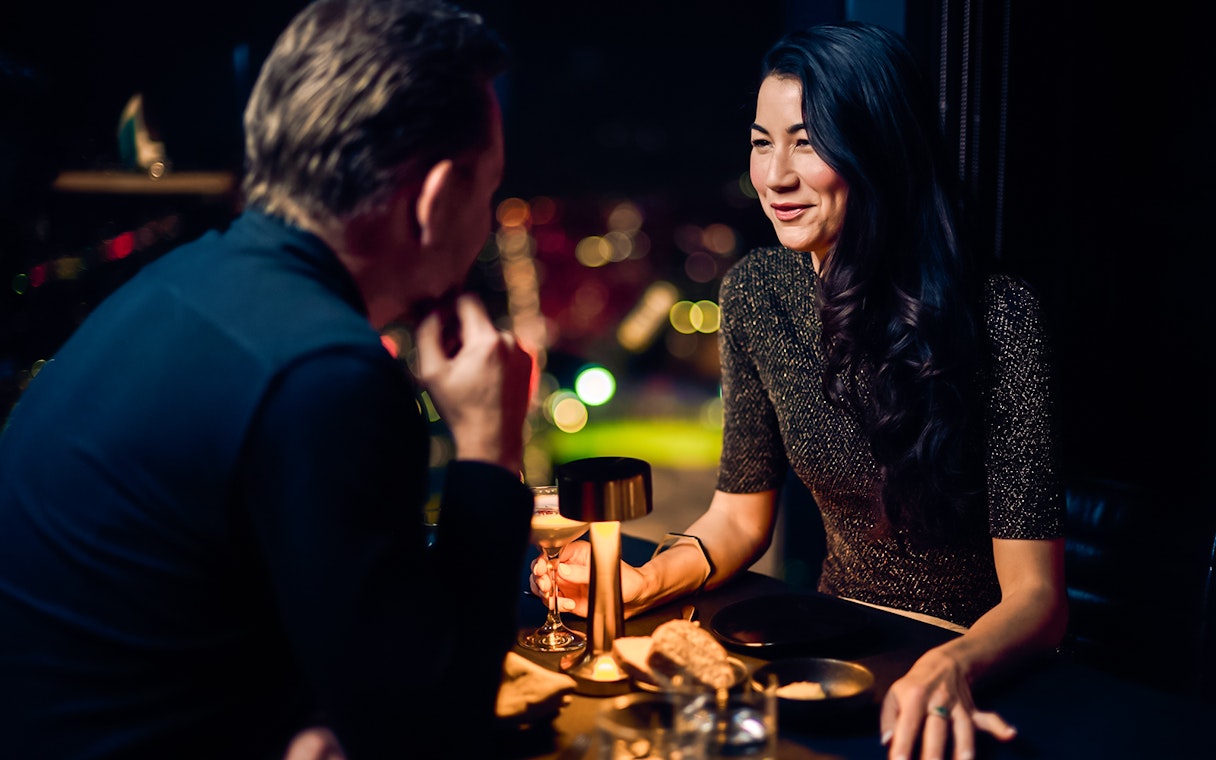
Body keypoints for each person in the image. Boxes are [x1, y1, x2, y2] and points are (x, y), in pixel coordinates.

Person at [0, 1, 535, 758]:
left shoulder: (181, 283)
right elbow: (430, 731)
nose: (484, 219)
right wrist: (489, 448)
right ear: (437, 196)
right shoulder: (323, 373)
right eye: (489, 191)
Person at [536, 21, 1068, 760]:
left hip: (973, 663)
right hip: (828, 652)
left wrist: (950, 666)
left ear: (878, 151)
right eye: (762, 141)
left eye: (809, 143)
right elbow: (736, 520)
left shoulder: (1000, 315)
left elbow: (1037, 600)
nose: (775, 176)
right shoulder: (756, 292)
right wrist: (639, 584)